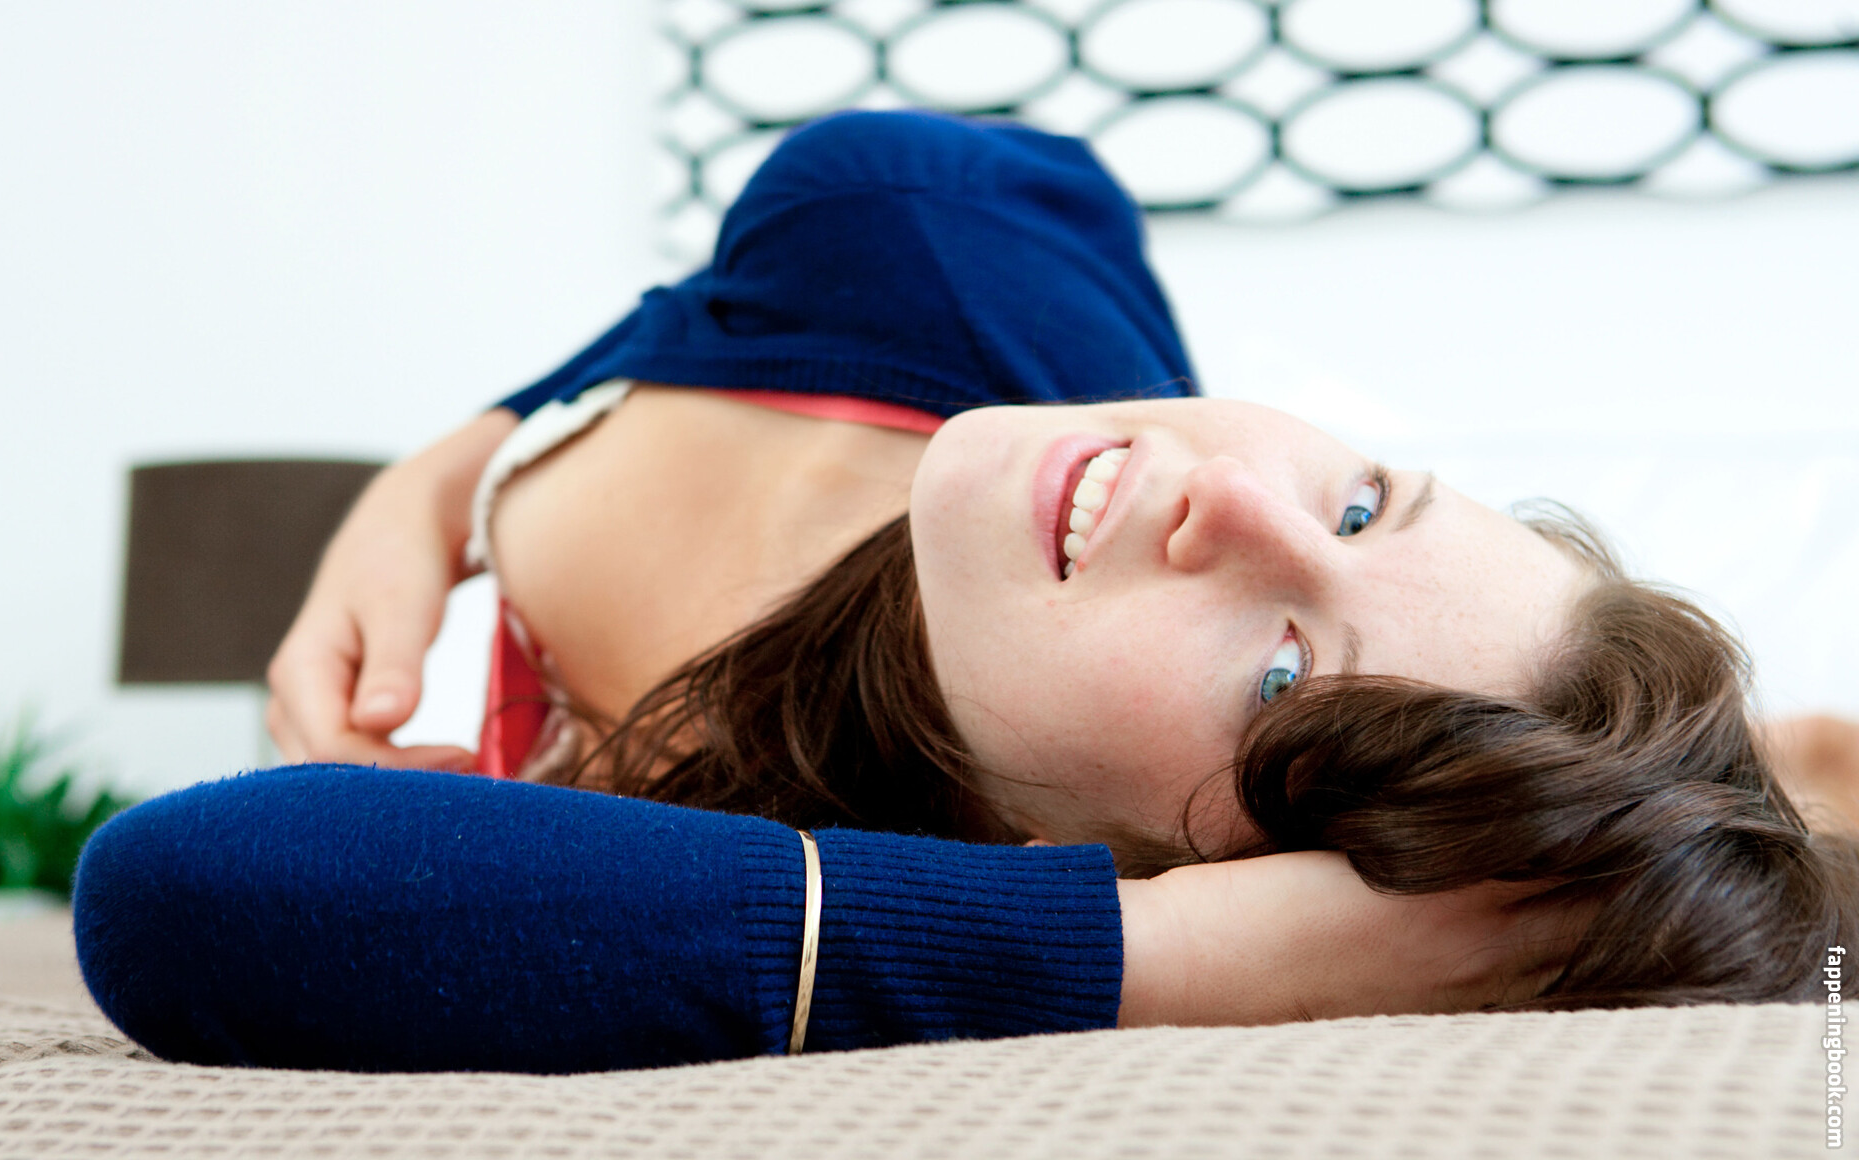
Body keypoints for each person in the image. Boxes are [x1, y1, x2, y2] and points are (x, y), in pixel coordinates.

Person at [115, 109, 1847, 1071]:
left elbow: (180, 894)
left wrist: (1154, 957)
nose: (1227, 497)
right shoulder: (947, 268)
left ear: (1127, 864)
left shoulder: (777, 866)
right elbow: (890, 192)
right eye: (1362, 499)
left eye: (1281, 675)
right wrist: (450, 469)